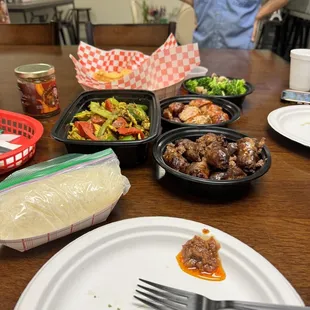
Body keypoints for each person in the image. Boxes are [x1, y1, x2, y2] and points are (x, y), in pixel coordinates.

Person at [180, 0, 288, 49]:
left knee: (236, 89)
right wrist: (199, 5)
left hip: (238, 47)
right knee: (198, 89)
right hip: (203, 44)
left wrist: (258, 15)